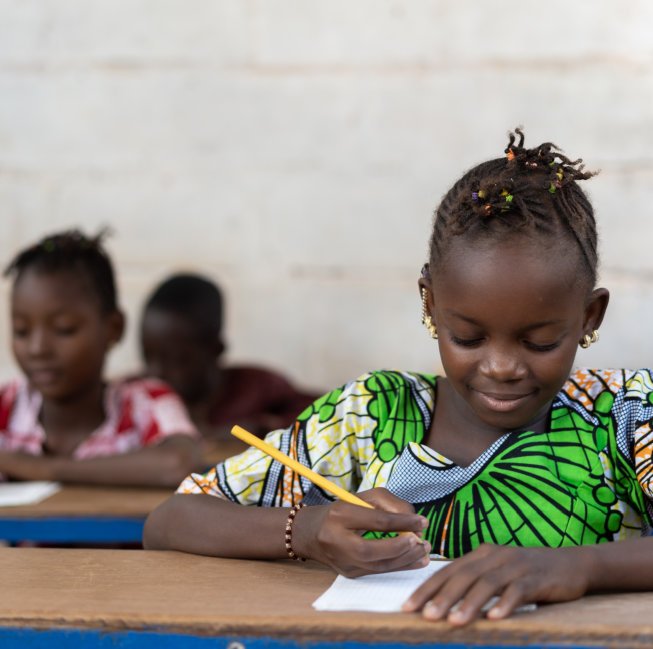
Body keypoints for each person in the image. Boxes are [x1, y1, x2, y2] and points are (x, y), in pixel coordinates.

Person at [144, 129, 653, 625]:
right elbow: (169, 521)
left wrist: (576, 566)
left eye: (539, 341)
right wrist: (305, 529)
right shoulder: (367, 416)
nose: (501, 366)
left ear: (590, 317)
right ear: (431, 303)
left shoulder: (625, 415)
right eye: (468, 338)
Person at [0, 230, 201, 488]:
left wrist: (44, 468)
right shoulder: (6, 407)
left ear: (113, 328)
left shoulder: (145, 403)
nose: (38, 349)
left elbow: (178, 463)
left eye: (64, 329)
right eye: (21, 331)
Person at [139, 273, 319, 439]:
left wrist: (267, 429)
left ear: (216, 350)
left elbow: (324, 418)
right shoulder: (134, 398)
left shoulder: (257, 388)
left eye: (177, 361)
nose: (157, 371)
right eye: (147, 356)